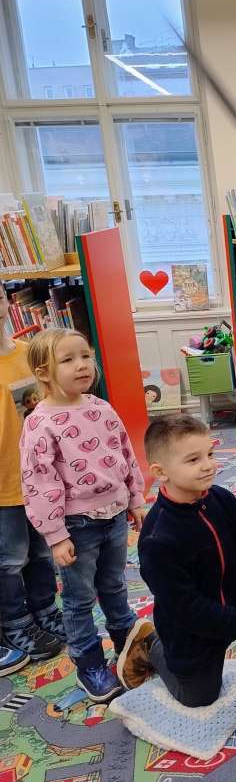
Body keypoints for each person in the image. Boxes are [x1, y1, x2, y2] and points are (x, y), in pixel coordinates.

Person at [116, 414, 236, 751]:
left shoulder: (222, 499)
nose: (208, 465)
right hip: (190, 624)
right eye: (193, 459)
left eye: (209, 453)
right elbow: (185, 608)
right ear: (161, 472)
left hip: (234, 595)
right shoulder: (157, 538)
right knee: (198, 696)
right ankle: (150, 644)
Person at [20, 327, 145, 702]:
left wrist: (135, 498)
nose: (82, 365)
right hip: (76, 526)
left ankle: (127, 648)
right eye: (68, 359)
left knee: (115, 585)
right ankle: (89, 664)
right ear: (44, 373)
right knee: (79, 599)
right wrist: (56, 536)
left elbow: (124, 452)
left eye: (86, 356)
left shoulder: (101, 407)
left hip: (115, 515)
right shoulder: (40, 423)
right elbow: (39, 482)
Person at [0, 287, 63, 672]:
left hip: (37, 479)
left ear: (7, 302)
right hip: (3, 484)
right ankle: (15, 622)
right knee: (10, 559)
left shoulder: (28, 356)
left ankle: (44, 610)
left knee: (41, 551)